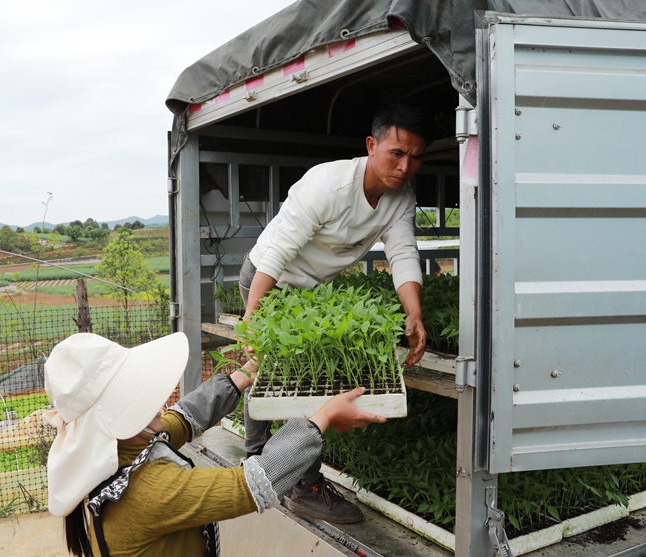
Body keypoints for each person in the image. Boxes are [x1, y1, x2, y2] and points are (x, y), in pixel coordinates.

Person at [238, 97, 434, 523]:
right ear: (371, 145)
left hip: (308, 292)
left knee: (297, 379)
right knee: (271, 372)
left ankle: (284, 473)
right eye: (397, 153)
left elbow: (403, 253)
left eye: (417, 157)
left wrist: (413, 313)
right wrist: (253, 318)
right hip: (267, 278)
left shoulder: (400, 197)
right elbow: (276, 253)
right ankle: (282, 474)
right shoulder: (327, 185)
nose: (405, 166)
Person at [43, 332, 384, 557]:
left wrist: (247, 372)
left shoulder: (115, 452)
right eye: (137, 398)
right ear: (115, 419)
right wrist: (323, 416)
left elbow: (185, 417)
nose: (157, 400)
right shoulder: (149, 492)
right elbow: (251, 484)